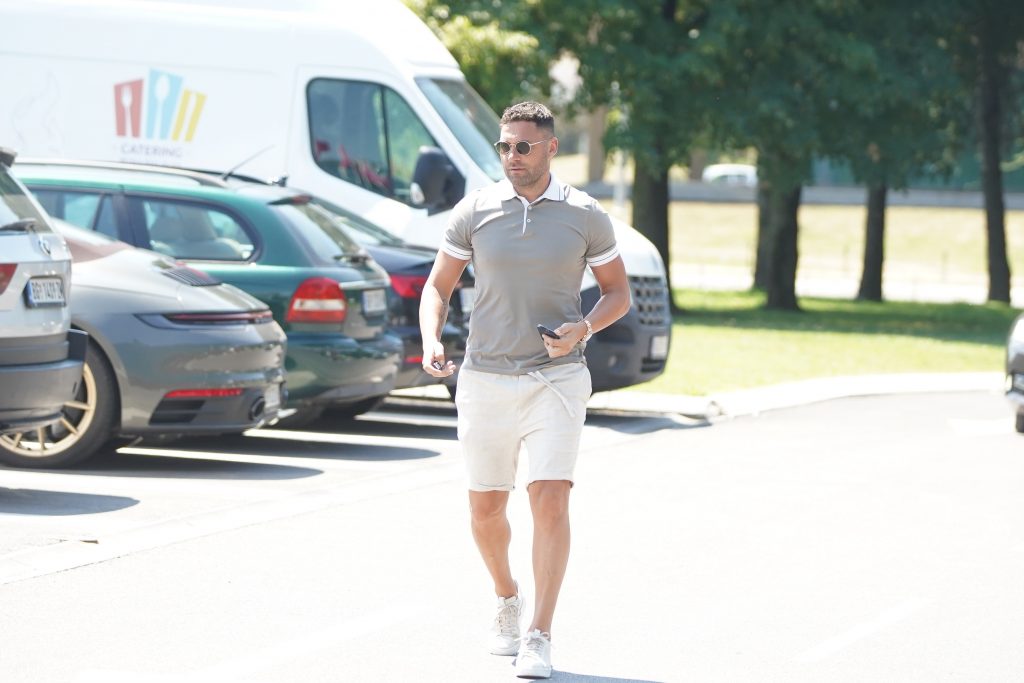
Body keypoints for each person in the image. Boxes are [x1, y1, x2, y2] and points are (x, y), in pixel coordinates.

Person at [419, 101, 630, 679]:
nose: (512, 157)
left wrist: (583, 328)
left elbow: (617, 293)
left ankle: (540, 631)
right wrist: (431, 338)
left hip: (557, 380)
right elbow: (437, 286)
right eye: (504, 147)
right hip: (484, 377)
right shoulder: (476, 210)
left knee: (550, 497)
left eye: (523, 146)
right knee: (486, 507)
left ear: (551, 148)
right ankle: (507, 599)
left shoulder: (586, 216)